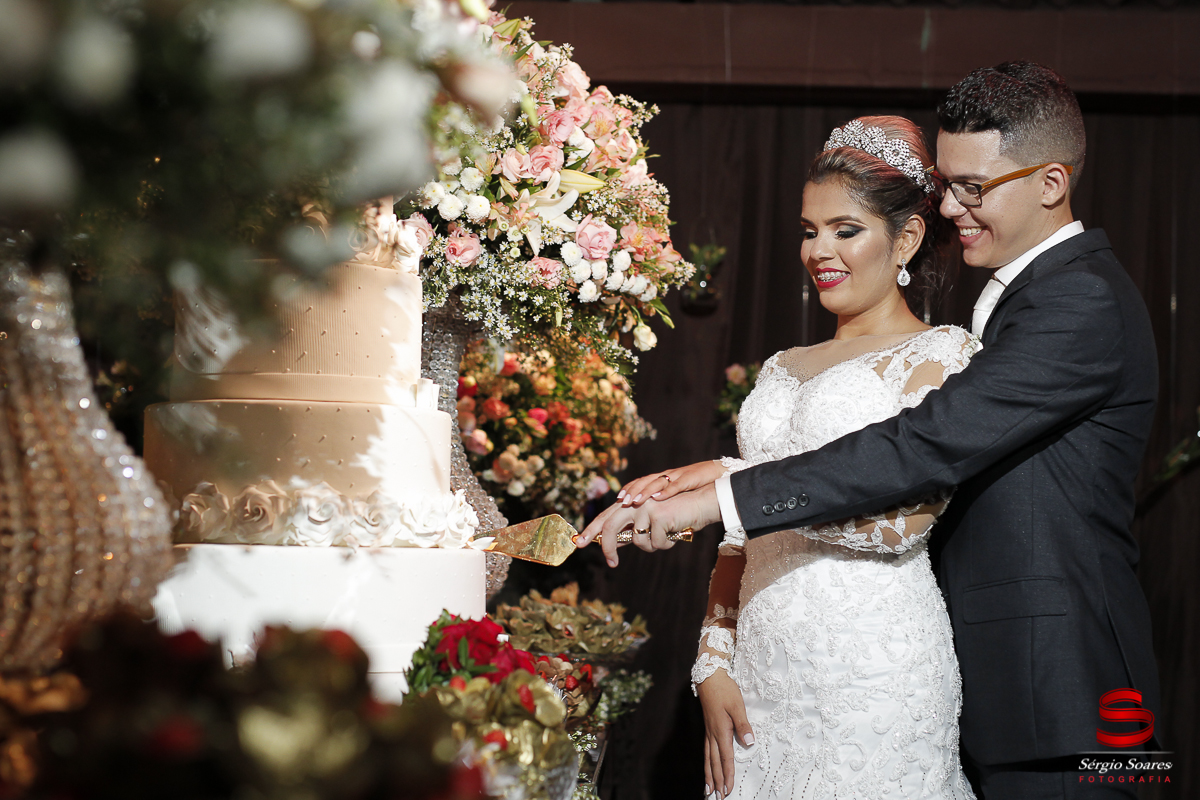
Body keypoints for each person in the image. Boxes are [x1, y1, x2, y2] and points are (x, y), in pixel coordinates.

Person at [580, 63, 1160, 800]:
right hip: (986, 684)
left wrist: (721, 492)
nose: (951, 206)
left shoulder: (1082, 301)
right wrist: (719, 486)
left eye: (972, 188)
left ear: (1050, 183)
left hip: (1066, 697)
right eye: (947, 184)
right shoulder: (1016, 300)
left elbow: (923, 447)